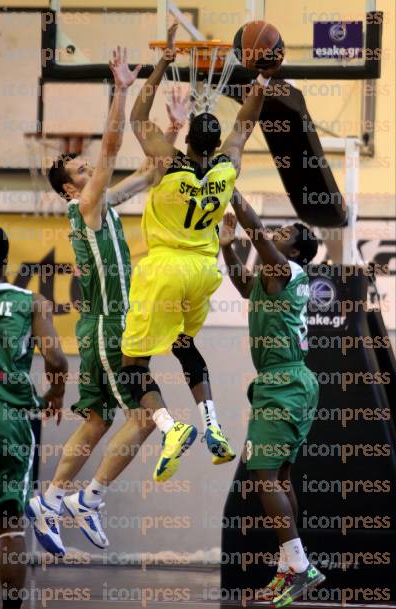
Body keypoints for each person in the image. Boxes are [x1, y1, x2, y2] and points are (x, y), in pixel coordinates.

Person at [26, 47, 188, 555]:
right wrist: (119, 90)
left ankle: (50, 500)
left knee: (97, 420)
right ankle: (89, 499)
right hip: (110, 327)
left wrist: (174, 127)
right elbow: (115, 148)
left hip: (104, 325)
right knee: (143, 417)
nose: (88, 166)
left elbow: (153, 171)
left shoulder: (102, 206)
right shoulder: (89, 205)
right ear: (71, 190)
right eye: (79, 167)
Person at [122, 21, 278, 483]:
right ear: (215, 142)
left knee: (133, 365)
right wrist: (263, 79)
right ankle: (214, 423)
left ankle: (171, 428)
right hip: (202, 271)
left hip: (165, 269)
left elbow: (136, 120)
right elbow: (246, 121)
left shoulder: (169, 163)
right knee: (185, 345)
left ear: (187, 138)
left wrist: (163, 65)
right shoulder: (228, 168)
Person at [219, 190, 325, 607]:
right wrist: (228, 251)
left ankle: (299, 566)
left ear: (296, 252)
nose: (275, 234)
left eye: (285, 233)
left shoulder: (287, 269)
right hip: (282, 383)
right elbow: (244, 288)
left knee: (263, 475)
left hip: (285, 382)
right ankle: (288, 567)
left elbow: (257, 233)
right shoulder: (269, 278)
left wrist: (227, 185)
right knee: (277, 477)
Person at [0, 226, 67, 609]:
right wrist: (54, 394)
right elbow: (55, 359)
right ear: (5, 261)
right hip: (10, 417)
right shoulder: (31, 302)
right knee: (9, 525)